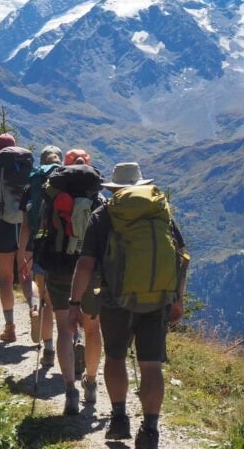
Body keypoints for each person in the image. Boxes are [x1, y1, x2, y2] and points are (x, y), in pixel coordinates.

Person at [69, 162, 188, 449]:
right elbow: (181, 256)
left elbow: (85, 264)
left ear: (114, 189)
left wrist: (74, 302)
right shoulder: (159, 211)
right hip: (158, 299)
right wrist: (177, 298)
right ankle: (150, 431)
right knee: (151, 365)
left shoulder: (104, 215)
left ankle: (119, 419)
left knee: (115, 357)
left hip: (115, 300)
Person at [36, 148, 104, 415]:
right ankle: (90, 383)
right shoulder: (98, 199)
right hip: (90, 271)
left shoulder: (53, 198)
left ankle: (69, 391)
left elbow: (43, 229)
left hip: (60, 267)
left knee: (64, 329)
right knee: (92, 329)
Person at [0, 133, 36, 343]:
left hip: (4, 227)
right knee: (27, 275)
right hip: (26, 226)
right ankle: (34, 309)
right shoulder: (29, 170)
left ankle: (10, 328)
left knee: (6, 278)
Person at [18, 145, 62, 364]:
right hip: (66, 247)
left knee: (46, 300)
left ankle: (49, 350)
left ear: (41, 162)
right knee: (67, 302)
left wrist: (22, 256)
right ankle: (76, 341)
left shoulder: (33, 184)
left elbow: (26, 226)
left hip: (40, 244)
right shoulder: (68, 182)